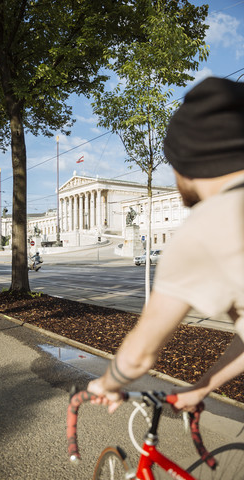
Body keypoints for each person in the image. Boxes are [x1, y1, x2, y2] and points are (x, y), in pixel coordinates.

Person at [88, 76, 244, 413]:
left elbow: (140, 356)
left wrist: (106, 383)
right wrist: (201, 387)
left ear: (187, 162)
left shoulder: (210, 225)